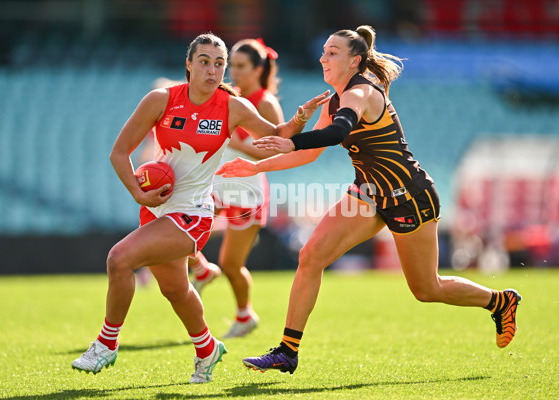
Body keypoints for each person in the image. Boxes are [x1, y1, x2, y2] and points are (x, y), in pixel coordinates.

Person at [216, 25, 522, 374]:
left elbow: (336, 133)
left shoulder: (361, 92)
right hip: (368, 192)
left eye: (333, 52)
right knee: (311, 255)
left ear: (355, 60)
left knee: (426, 288)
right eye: (324, 51)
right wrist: (254, 167)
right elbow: (308, 154)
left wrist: (293, 141)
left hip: (409, 194)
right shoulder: (334, 99)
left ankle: (500, 301)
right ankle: (287, 351)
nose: (323, 58)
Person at [70, 32, 329, 383]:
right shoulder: (161, 99)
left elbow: (277, 136)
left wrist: (300, 117)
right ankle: (208, 349)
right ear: (189, 64)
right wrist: (138, 193)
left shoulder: (233, 106)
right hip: (156, 206)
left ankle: (105, 345)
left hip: (193, 212)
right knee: (175, 290)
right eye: (204, 62)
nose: (213, 70)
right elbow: (119, 153)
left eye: (219, 64)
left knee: (119, 259)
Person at [188, 38, 285, 339]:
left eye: (242, 67)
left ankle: (245, 315)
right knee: (183, 230)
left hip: (248, 191)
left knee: (231, 263)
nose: (235, 73)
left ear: (258, 69)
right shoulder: (232, 97)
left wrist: (240, 144)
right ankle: (202, 270)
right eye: (234, 66)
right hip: (220, 183)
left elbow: (280, 150)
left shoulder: (266, 102)